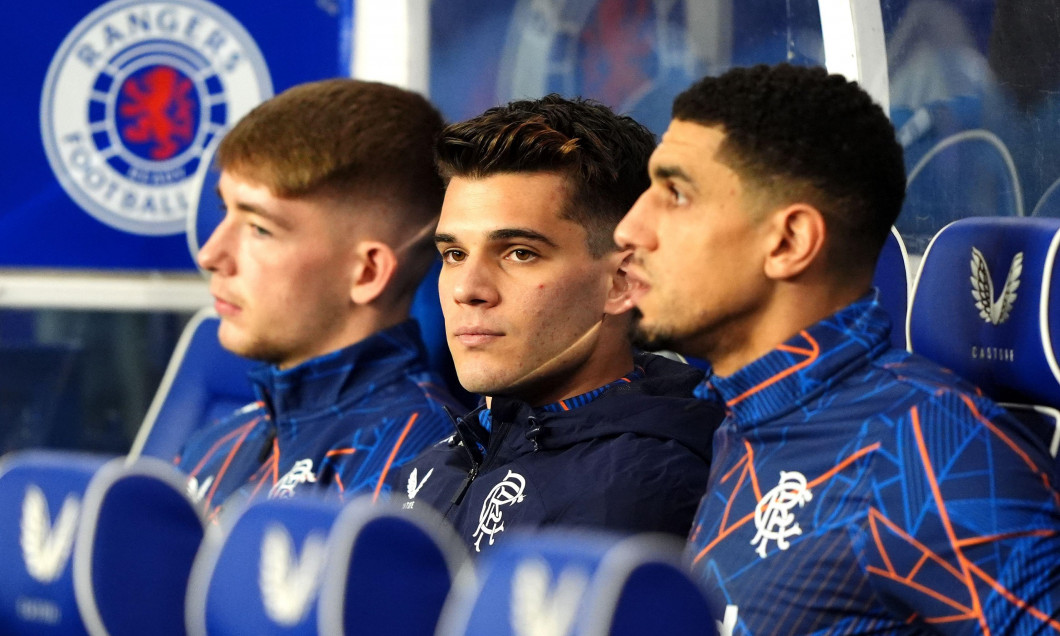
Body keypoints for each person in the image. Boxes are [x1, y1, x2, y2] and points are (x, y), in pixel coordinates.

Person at [614, 63, 1060, 634]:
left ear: (790, 241)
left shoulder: (931, 448)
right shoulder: (751, 416)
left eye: (675, 194)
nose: (629, 227)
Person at [394, 94, 723, 553]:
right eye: (454, 254)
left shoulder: (638, 486)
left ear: (623, 282)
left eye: (519, 253)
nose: (466, 289)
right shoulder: (440, 459)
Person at [174, 79, 464, 521]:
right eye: (224, 211)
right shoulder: (218, 439)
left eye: (259, 228)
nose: (211, 254)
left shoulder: (427, 464)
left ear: (366, 272)